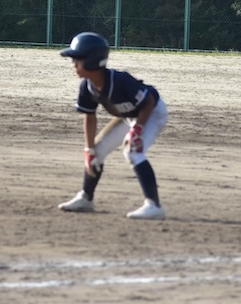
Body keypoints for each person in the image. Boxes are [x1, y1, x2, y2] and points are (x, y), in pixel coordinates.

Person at [56, 31, 168, 220]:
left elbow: (148, 101)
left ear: (92, 62)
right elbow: (89, 117)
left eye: (78, 59)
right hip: (128, 116)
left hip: (152, 113)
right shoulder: (87, 86)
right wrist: (88, 149)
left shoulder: (120, 80)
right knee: (97, 152)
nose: (73, 64)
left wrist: (137, 129)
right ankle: (86, 198)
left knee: (133, 151)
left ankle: (154, 205)